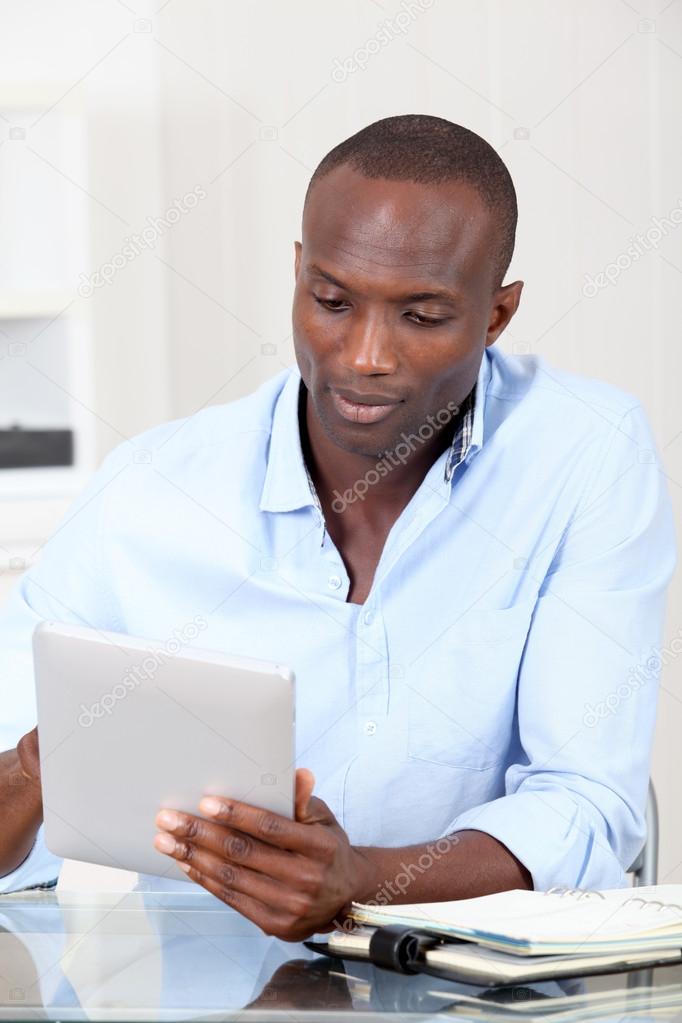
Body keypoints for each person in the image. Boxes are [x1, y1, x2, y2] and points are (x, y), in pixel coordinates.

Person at [0, 115, 675, 942]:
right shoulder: (152, 490)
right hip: (206, 991)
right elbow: (10, 821)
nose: (363, 355)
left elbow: (589, 803)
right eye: (332, 300)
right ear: (297, 273)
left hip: (475, 982)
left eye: (421, 317)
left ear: (496, 316)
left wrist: (361, 880)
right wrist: (39, 775)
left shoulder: (585, 455)